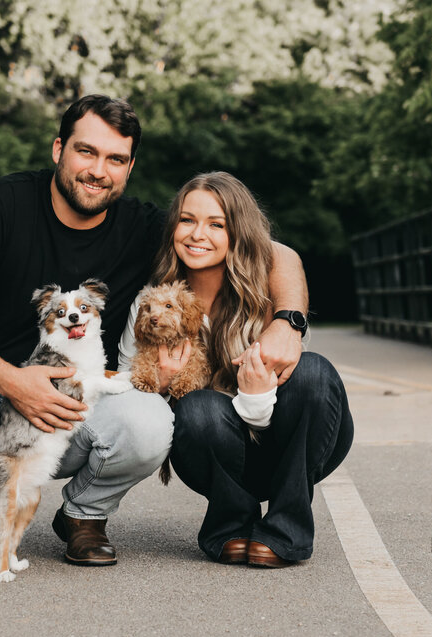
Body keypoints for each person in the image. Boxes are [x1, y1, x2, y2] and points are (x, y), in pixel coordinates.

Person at [0, 95, 309, 576]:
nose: (98, 171)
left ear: (129, 167)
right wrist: (11, 381)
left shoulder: (145, 228)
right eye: (86, 151)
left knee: (150, 420)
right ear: (58, 149)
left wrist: (288, 321)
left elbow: (276, 253)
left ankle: (84, 516)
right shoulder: (1, 204)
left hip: (79, 409)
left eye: (115, 159)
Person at [118, 171, 354, 568]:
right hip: (213, 451)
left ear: (238, 232)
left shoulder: (269, 288)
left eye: (217, 224)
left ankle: (285, 530)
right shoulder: (152, 302)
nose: (197, 234)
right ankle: (231, 526)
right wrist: (160, 382)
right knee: (198, 407)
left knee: (314, 372)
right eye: (187, 220)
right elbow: (127, 387)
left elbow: (283, 255)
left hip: (288, 445)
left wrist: (280, 340)